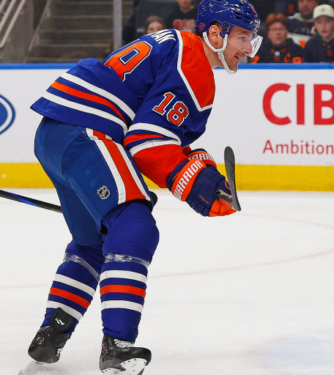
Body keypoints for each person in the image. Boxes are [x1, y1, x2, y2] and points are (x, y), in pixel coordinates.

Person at [20, 0, 261, 373]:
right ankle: (117, 345)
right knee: (134, 227)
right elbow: (147, 143)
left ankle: (52, 333)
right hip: (88, 129)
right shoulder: (194, 63)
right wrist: (201, 186)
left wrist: (195, 166)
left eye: (251, 39)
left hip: (56, 132)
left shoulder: (176, 43)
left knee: (94, 242)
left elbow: (155, 133)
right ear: (215, 33)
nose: (249, 49)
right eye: (243, 37)